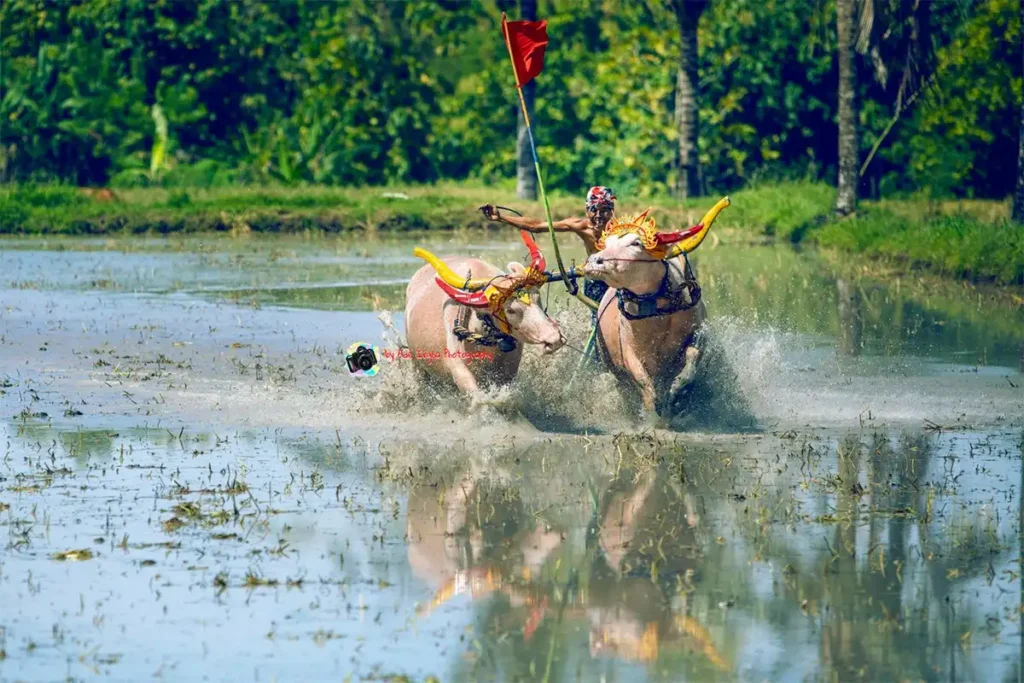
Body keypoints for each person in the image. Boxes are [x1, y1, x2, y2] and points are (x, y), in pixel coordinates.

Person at [479, 186, 617, 309]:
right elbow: (537, 226)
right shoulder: (581, 226)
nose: (598, 216)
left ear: (612, 211)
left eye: (604, 210)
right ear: (587, 211)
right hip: (595, 277)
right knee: (598, 316)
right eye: (594, 210)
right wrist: (501, 217)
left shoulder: (622, 230)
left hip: (618, 275)